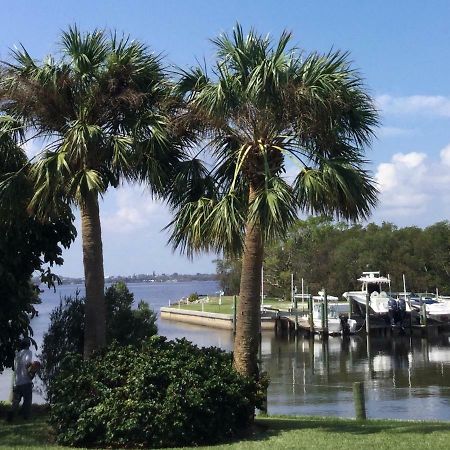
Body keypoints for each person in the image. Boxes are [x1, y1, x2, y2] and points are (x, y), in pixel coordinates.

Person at [8, 338, 33, 421]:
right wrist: (32, 371)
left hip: (17, 382)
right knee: (27, 400)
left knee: (15, 401)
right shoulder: (28, 352)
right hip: (26, 381)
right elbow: (27, 363)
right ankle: (25, 417)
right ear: (28, 345)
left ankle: (10, 415)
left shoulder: (17, 355)